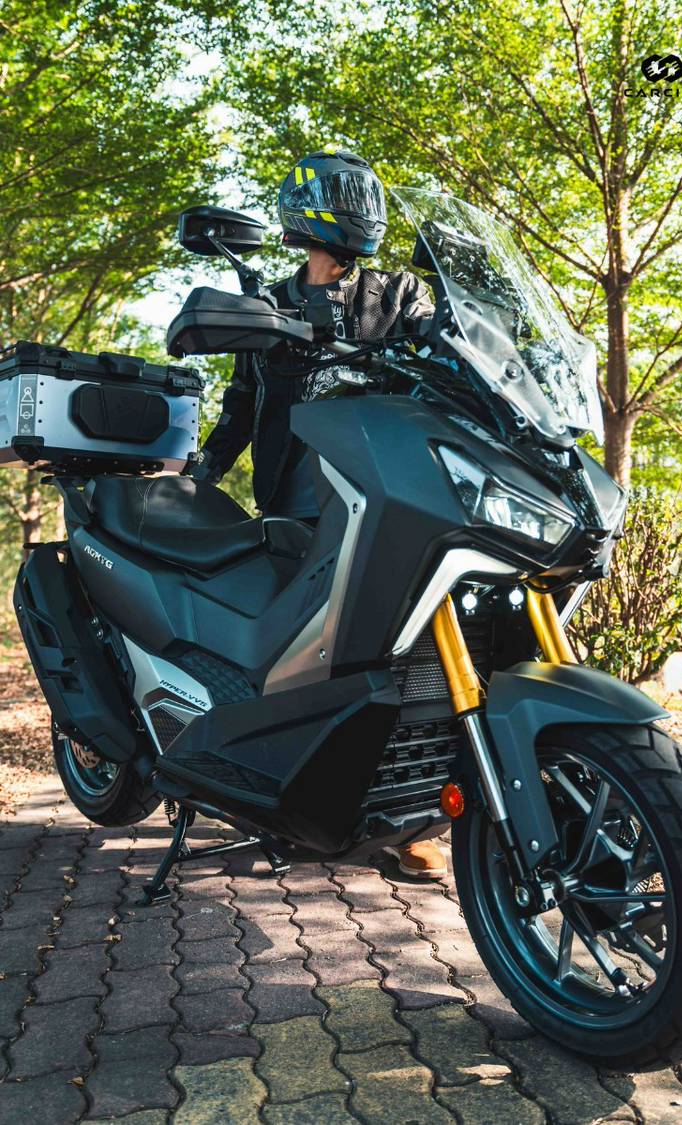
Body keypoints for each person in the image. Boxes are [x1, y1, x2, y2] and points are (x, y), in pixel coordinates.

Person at [187, 148, 446, 880]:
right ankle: (285, 793)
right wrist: (202, 471)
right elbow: (243, 402)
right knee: (310, 660)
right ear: (309, 212)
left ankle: (409, 814)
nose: (361, 211)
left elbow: (449, 352)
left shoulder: (399, 293)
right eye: (347, 199)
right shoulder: (268, 303)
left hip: (385, 489)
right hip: (296, 494)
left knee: (404, 652)